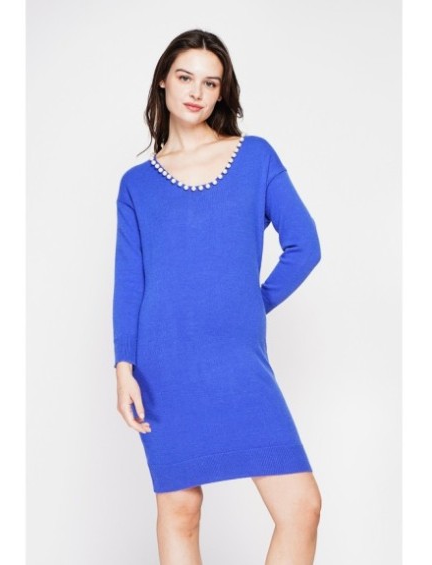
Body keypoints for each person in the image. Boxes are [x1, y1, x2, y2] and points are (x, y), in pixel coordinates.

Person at [113, 28, 322, 565]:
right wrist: (123, 366)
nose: (197, 91)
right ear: (164, 81)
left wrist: (253, 303)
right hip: (164, 361)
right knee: (180, 509)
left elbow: (305, 245)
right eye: (186, 77)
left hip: (237, 357)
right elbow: (131, 280)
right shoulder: (136, 185)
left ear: (222, 92)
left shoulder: (254, 157)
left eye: (210, 83)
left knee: (300, 507)